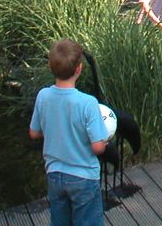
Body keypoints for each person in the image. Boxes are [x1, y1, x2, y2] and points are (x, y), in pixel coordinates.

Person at [29, 39, 109, 226]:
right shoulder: (88, 103)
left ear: (50, 66)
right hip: (84, 178)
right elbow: (98, 147)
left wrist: (53, 131)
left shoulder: (43, 96)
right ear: (79, 69)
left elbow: (34, 133)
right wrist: (104, 141)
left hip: (55, 174)